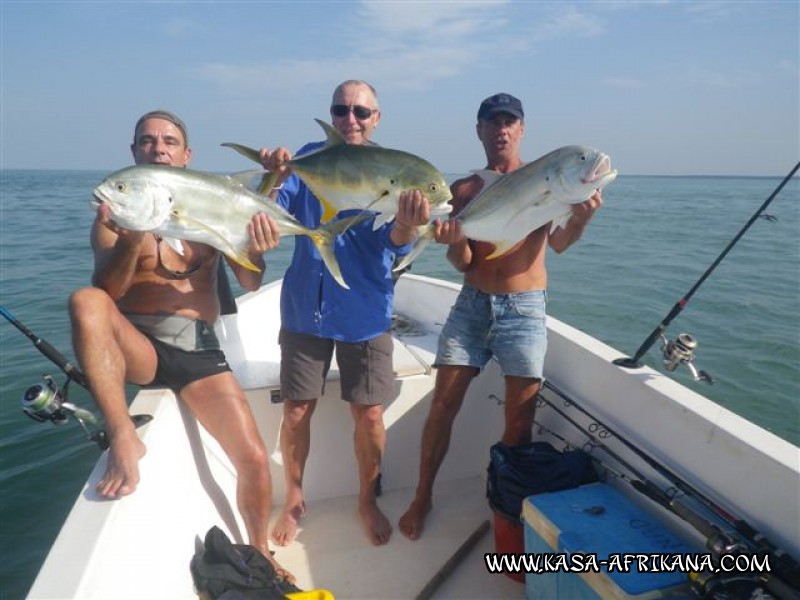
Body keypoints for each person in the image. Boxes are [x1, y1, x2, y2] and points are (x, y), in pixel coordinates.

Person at [69, 110, 291, 576]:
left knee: (253, 457)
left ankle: (260, 551)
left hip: (199, 351)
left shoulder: (210, 204)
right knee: (86, 301)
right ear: (134, 153)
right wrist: (132, 241)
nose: (159, 148)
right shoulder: (114, 217)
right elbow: (107, 292)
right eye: (147, 141)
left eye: (169, 141)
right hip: (140, 346)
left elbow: (251, 283)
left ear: (187, 155)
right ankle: (123, 434)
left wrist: (255, 247)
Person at [398, 93, 604, 540]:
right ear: (480, 130)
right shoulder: (464, 190)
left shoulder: (549, 180)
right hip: (472, 304)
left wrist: (583, 220)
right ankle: (422, 494)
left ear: (522, 129)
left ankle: (507, 507)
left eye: (510, 122)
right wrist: (453, 239)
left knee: (519, 421)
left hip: (525, 310)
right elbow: (465, 263)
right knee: (442, 406)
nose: (502, 130)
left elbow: (560, 244)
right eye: (493, 122)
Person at [259, 80, 433, 547]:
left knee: (370, 413)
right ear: (331, 115)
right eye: (341, 110)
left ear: (377, 118)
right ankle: (294, 497)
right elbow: (274, 209)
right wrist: (273, 174)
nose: (350, 119)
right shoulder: (310, 158)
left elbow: (392, 243)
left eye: (361, 111)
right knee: (296, 410)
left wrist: (406, 223)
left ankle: (366, 497)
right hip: (305, 307)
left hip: (365, 309)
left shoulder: (392, 170)